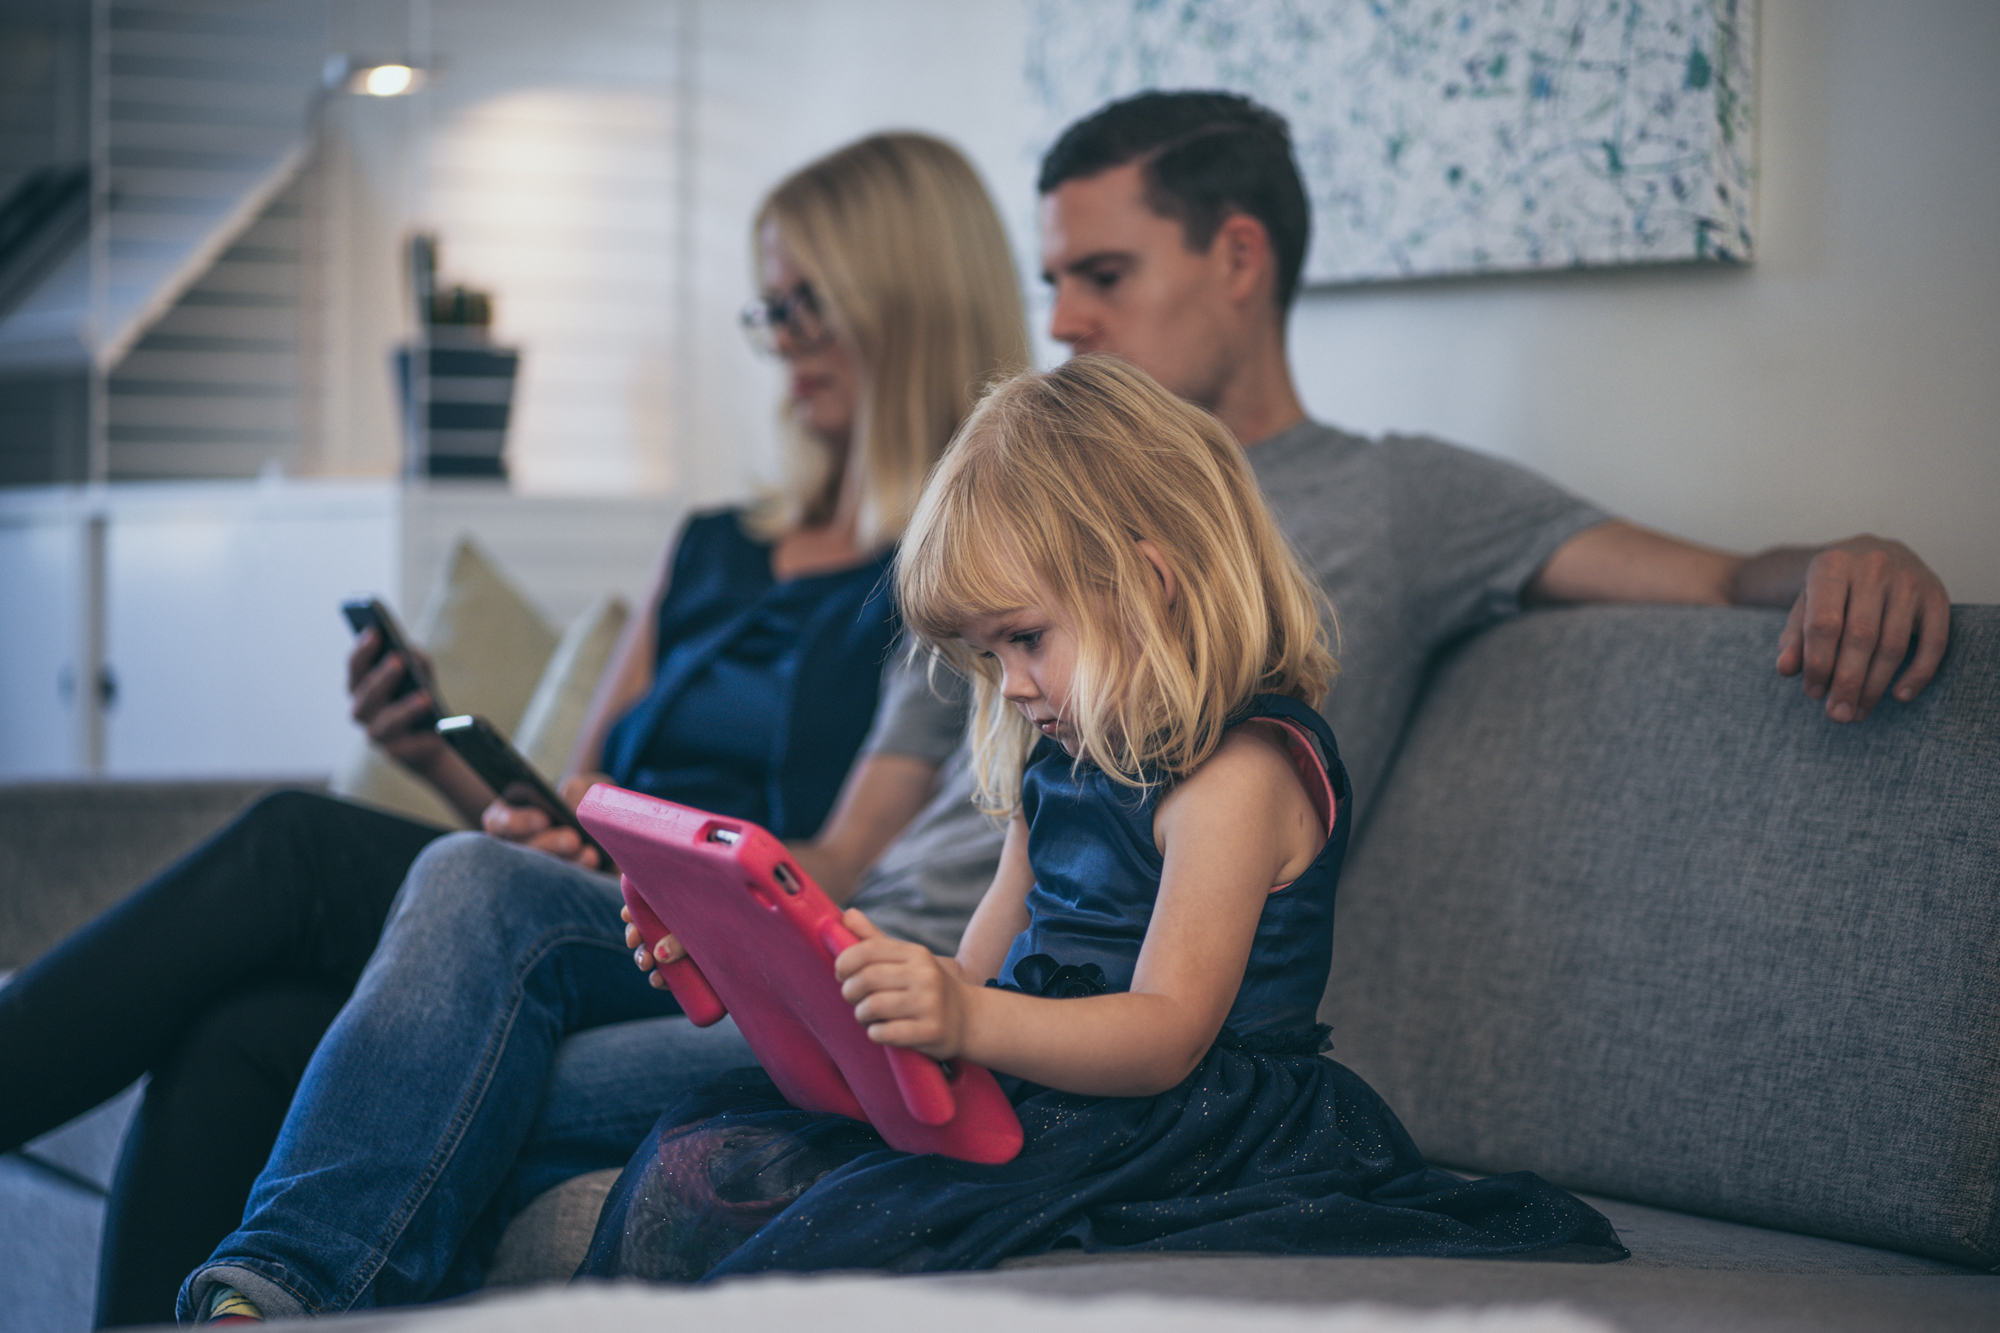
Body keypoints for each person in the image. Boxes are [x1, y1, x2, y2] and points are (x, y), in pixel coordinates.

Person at [2, 131, 1025, 1329]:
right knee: (250, 1030)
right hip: (586, 903)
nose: (786, 341)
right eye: (771, 309)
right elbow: (572, 798)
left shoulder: (954, 583)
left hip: (708, 937)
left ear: (908, 302)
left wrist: (642, 868)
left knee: (294, 846)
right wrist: (437, 752)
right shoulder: (710, 541)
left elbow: (842, 866)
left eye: (812, 305)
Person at [575, 357, 1628, 1279]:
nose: (1012, 684)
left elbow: (1166, 1035)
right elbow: (975, 978)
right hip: (1044, 1095)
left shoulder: (1238, 775)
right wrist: (758, 963)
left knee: (853, 1230)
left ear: (1152, 583)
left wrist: (968, 1020)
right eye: (988, 655)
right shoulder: (1059, 762)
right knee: (698, 1159)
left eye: (1025, 637)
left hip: (1191, 1130)